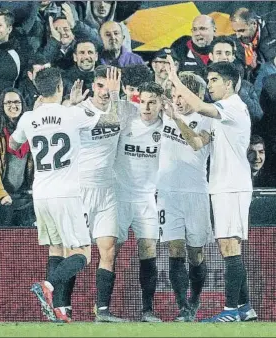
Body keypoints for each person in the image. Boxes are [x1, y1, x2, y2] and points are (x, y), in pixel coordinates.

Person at [165, 57, 257, 322]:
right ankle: (245, 307)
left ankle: (230, 311)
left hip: (231, 186)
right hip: (225, 185)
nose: (211, 85)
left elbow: (197, 104)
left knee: (229, 246)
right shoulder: (225, 109)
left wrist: (174, 79)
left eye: (215, 80)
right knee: (229, 245)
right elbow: (197, 139)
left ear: (229, 84)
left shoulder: (232, 106)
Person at [9, 67, 101, 322]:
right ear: (60, 87)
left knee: (56, 249)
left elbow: (13, 145)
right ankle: (48, 286)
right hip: (67, 192)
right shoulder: (73, 114)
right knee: (83, 252)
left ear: (37, 90)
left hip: (41, 193)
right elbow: (101, 120)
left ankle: (59, 308)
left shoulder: (28, 118)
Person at [65, 65, 130, 322]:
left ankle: (102, 310)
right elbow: (111, 121)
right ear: (93, 85)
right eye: (101, 85)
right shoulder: (80, 111)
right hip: (80, 190)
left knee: (108, 249)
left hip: (107, 190)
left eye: (112, 85)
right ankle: (63, 306)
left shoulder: (122, 107)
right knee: (78, 253)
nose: (106, 91)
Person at [157, 72, 212, 322]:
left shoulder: (208, 119)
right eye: (175, 94)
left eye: (183, 95)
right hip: (168, 194)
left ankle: (195, 299)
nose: (177, 100)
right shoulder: (164, 115)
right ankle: (183, 308)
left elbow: (197, 143)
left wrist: (177, 119)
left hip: (196, 194)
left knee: (195, 254)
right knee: (175, 250)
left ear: (198, 96)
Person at [114, 81, 164, 322]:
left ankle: (147, 310)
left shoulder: (165, 127)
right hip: (120, 196)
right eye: (143, 101)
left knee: (148, 250)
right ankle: (103, 307)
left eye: (152, 102)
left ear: (160, 104)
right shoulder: (127, 120)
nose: (146, 107)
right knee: (109, 251)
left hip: (146, 198)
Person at [0, 88, 34, 226]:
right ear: (1, 106)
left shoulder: (30, 128)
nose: (13, 106)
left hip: (22, 196)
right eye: (8, 102)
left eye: (17, 102)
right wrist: (1, 194)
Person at [208, 36, 263, 127]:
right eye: (218, 53)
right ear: (211, 56)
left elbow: (257, 116)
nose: (224, 57)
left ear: (233, 57)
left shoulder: (245, 86)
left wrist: (238, 90)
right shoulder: (202, 81)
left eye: (228, 53)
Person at [230, 8, 276, 72]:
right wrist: (251, 68)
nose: (238, 36)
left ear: (254, 24)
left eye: (242, 30)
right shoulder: (233, 43)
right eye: (235, 31)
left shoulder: (273, 31)